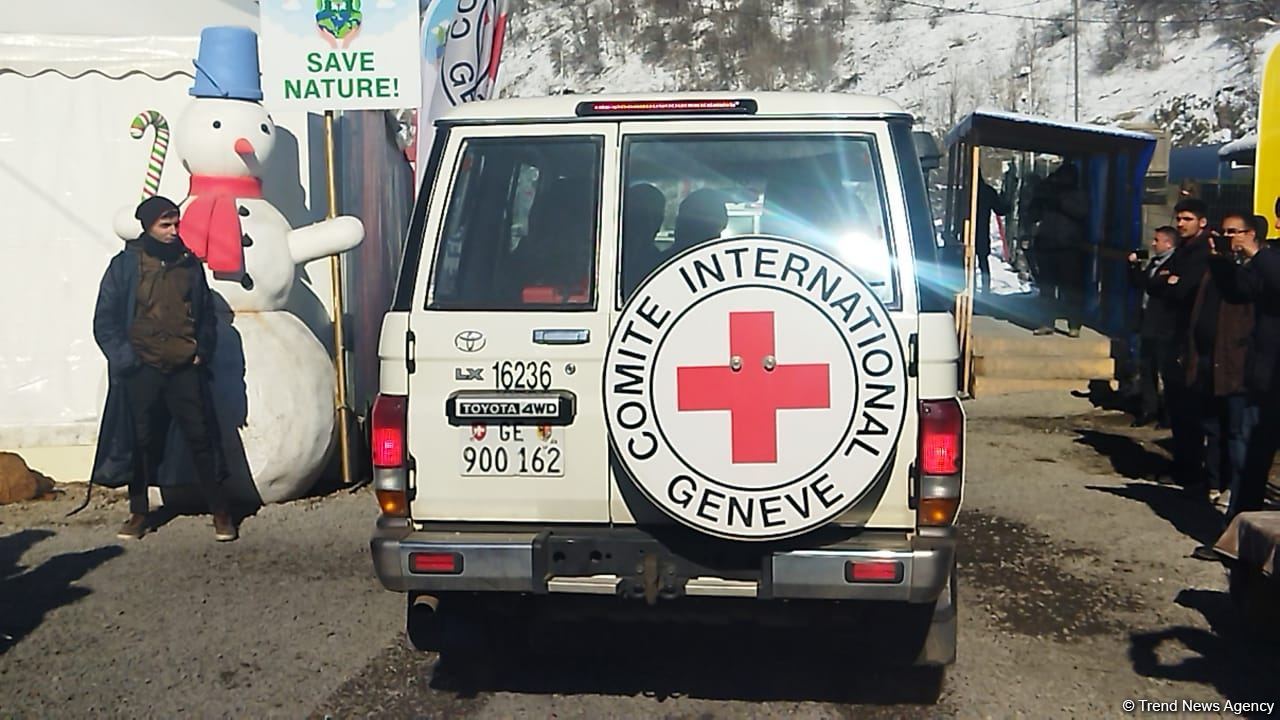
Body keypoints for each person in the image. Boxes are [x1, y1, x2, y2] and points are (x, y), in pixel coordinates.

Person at [91, 196, 237, 542]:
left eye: (176, 224)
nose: (173, 231)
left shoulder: (188, 263)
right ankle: (139, 512)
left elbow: (205, 315)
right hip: (142, 366)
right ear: (148, 226)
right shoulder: (125, 266)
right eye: (165, 225)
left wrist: (203, 350)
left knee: (202, 437)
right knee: (142, 439)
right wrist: (125, 359)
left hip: (184, 364)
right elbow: (105, 319)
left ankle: (221, 511)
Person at [1214, 211, 1280, 525]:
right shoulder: (1273, 255)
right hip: (1267, 376)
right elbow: (1242, 291)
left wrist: (1255, 252)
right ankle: (1238, 532)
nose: (1277, 225)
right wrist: (1221, 262)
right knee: (1252, 460)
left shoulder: (1269, 258)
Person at [1151, 198, 1214, 492]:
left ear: (1201, 222)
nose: (1180, 224)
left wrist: (1171, 282)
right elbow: (1155, 283)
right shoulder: (1183, 251)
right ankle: (1184, 464)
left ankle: (1191, 469)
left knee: (1188, 406)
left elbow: (1182, 289)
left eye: (1187, 218)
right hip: (1172, 333)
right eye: (1178, 219)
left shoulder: (1202, 254)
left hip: (1188, 338)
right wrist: (1167, 281)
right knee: (1178, 404)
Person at [1127, 226, 1178, 427]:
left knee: (1166, 371)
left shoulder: (1176, 263)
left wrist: (1163, 281)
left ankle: (1169, 414)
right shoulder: (1154, 263)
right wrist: (1133, 266)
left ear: (1168, 243)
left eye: (1157, 240)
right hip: (1147, 323)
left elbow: (1161, 288)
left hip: (1165, 325)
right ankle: (1149, 408)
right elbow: (1142, 284)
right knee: (1147, 368)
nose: (1153, 244)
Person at [1031, 163, 1089, 337]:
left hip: (1069, 247)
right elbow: (1033, 214)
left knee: (1071, 289)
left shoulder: (1078, 195)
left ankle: (1074, 325)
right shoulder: (1048, 194)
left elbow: (1081, 212)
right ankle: (1047, 322)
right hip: (1047, 245)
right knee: (1047, 289)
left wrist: (1060, 201)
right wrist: (1040, 196)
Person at [975, 175, 1010, 294]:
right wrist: (1007, 200)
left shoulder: (964, 190)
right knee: (983, 262)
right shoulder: (987, 191)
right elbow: (1001, 210)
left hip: (965, 232)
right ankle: (985, 290)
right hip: (982, 232)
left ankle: (969, 287)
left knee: (965, 262)